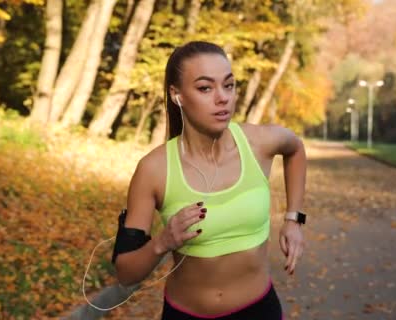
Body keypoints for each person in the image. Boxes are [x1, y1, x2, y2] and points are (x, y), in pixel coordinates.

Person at [113, 41, 307, 320]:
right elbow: (126, 272)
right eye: (205, 88)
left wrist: (293, 219)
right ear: (177, 95)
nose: (223, 98)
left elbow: (296, 148)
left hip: (259, 311)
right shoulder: (153, 170)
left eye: (228, 85)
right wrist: (163, 242)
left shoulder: (258, 143)